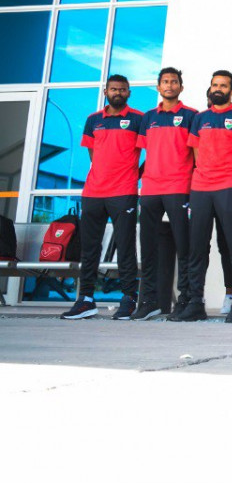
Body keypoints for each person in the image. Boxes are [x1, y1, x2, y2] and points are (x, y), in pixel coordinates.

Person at [61, 75, 144, 321]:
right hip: (93, 193)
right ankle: (86, 300)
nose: (118, 93)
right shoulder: (93, 120)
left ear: (129, 93)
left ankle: (129, 299)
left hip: (124, 192)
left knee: (125, 247)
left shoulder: (138, 119)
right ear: (106, 91)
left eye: (122, 89)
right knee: (89, 248)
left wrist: (136, 174)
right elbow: (93, 154)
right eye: (113, 89)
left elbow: (154, 152)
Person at [176, 71, 232, 322]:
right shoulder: (200, 119)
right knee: (197, 248)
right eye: (215, 85)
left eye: (223, 85)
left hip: (230, 188)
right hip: (201, 188)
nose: (218, 89)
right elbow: (197, 154)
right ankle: (195, 303)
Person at [133, 67, 198, 320]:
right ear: (158, 87)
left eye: (174, 81)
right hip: (150, 189)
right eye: (165, 82)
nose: (169, 85)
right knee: (148, 248)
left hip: (179, 187)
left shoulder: (191, 116)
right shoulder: (148, 118)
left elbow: (197, 155)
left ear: (181, 87)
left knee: (185, 248)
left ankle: (185, 299)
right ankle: (149, 301)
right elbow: (146, 153)